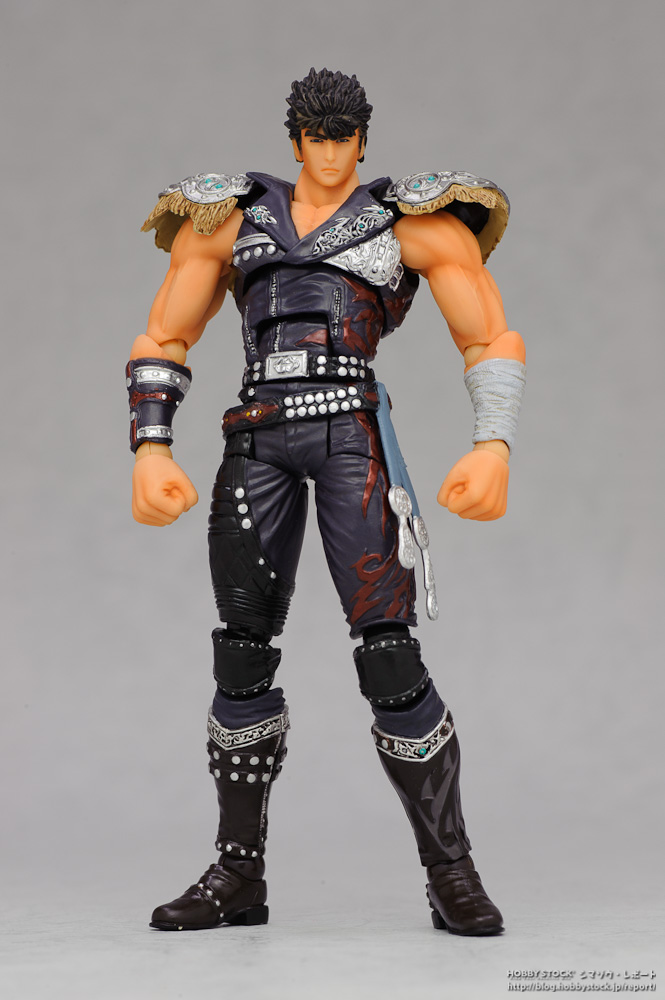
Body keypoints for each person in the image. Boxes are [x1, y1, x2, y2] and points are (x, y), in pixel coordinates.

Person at [128, 67, 525, 936]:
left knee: (387, 653)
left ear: (364, 140)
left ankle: (451, 873)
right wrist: (150, 446)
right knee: (240, 652)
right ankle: (238, 873)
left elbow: (489, 334)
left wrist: (491, 443)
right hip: (257, 435)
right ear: (295, 139)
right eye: (317, 136)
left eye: (344, 136)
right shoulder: (230, 214)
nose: (332, 152)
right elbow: (165, 332)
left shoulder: (409, 218)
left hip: (351, 433)